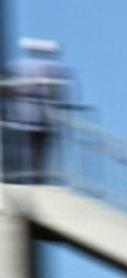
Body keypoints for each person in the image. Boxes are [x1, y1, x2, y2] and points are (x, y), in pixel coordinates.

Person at [5, 38, 73, 182]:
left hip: (22, 116)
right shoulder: (55, 69)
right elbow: (58, 93)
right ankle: (37, 178)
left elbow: (9, 87)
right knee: (39, 152)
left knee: (20, 150)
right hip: (45, 119)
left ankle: (17, 177)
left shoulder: (18, 66)